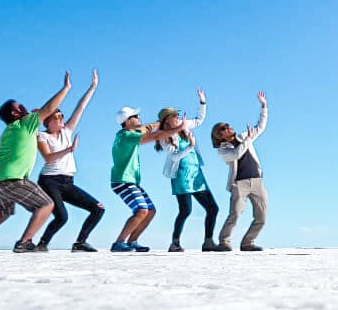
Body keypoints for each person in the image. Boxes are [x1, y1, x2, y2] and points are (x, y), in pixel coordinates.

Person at [0, 72, 72, 252]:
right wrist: (66, 89)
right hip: (11, 179)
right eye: (21, 106)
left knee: (3, 212)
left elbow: (42, 115)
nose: (25, 107)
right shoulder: (24, 123)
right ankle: (25, 242)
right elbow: (49, 108)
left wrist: (38, 118)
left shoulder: (10, 130)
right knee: (46, 204)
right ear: (15, 113)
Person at [36, 69, 105, 252]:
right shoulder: (42, 136)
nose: (61, 120)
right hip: (49, 181)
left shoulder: (66, 132)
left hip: (67, 182)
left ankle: (80, 243)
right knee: (61, 217)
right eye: (57, 118)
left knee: (98, 208)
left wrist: (93, 87)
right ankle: (42, 244)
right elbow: (48, 157)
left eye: (61, 117)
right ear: (48, 122)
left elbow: (80, 107)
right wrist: (69, 149)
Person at [155, 89, 221, 252]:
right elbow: (175, 157)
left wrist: (203, 102)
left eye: (178, 115)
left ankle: (208, 242)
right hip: (181, 176)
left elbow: (199, 119)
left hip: (196, 174)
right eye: (175, 116)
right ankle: (175, 243)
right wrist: (190, 146)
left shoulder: (185, 126)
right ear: (167, 121)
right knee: (185, 210)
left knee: (213, 208)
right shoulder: (165, 137)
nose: (178, 118)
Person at [110, 106, 183, 252]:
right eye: (135, 116)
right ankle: (118, 243)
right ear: (128, 121)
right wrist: (178, 128)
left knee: (150, 210)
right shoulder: (126, 136)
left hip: (131, 181)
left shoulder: (131, 133)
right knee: (142, 209)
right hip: (122, 181)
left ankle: (132, 242)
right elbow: (154, 136)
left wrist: (159, 122)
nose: (139, 117)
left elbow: (147, 128)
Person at [210, 91, 269, 252]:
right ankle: (224, 242)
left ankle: (247, 243)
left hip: (257, 181)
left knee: (261, 217)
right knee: (235, 214)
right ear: (220, 135)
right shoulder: (223, 150)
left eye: (227, 125)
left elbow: (261, 126)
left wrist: (263, 106)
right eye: (224, 128)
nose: (228, 127)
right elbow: (236, 154)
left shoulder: (244, 137)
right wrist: (248, 139)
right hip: (239, 184)